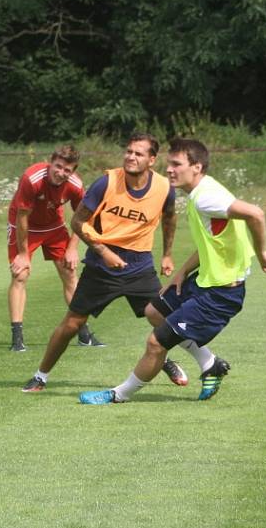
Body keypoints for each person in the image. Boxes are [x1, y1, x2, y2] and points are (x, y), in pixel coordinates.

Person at [79, 138, 266, 404]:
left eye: (176, 164)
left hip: (220, 294)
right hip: (205, 280)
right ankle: (210, 363)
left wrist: (263, 252)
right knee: (154, 312)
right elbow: (212, 242)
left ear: (196, 167)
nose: (170, 170)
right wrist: (181, 272)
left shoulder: (207, 198)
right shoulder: (202, 191)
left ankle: (119, 395)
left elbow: (256, 214)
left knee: (155, 343)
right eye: (168, 164)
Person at [21, 133, 189, 392]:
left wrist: (167, 253)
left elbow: (169, 219)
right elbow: (77, 222)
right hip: (102, 267)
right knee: (72, 324)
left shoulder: (165, 187)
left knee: (164, 318)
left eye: (139, 153)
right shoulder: (106, 182)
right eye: (129, 151)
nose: (131, 157)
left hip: (140, 266)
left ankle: (170, 361)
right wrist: (102, 251)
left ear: (152, 160)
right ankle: (40, 376)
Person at [7, 145, 104, 351]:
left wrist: (72, 248)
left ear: (73, 171)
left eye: (67, 170)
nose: (61, 173)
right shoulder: (31, 178)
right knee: (20, 275)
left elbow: (82, 218)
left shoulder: (76, 186)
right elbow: (22, 216)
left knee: (70, 273)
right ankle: (17, 338)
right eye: (58, 166)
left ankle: (83, 334)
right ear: (51, 161)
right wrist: (23, 254)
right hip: (24, 226)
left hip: (53, 226)